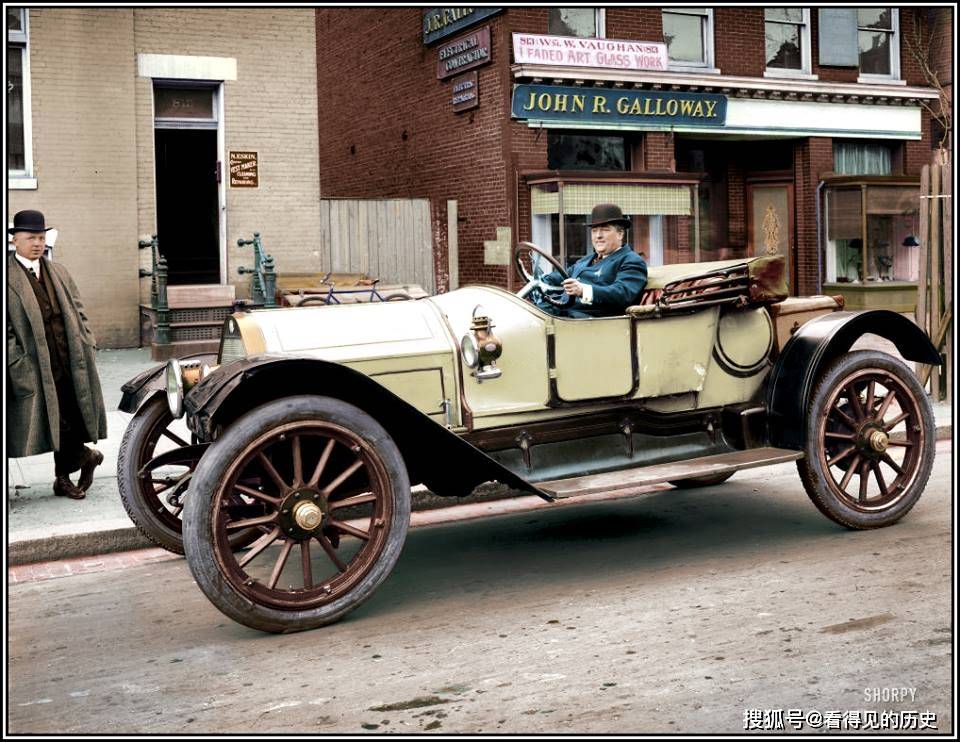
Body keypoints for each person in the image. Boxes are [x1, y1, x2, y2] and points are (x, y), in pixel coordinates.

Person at [7, 210, 107, 499]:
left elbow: (79, 311)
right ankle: (85, 457)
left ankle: (62, 478)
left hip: (69, 359)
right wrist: (16, 361)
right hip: (33, 365)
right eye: (30, 238)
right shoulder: (7, 275)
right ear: (15, 240)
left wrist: (87, 341)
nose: (37, 243)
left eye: (41, 237)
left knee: (71, 416)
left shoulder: (58, 271)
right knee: (53, 420)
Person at [538, 203, 648, 318]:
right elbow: (562, 276)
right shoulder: (585, 260)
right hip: (557, 312)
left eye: (605, 230)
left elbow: (622, 293)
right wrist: (541, 280)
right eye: (594, 231)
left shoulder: (631, 260)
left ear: (620, 234)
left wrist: (582, 290)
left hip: (588, 322)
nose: (598, 236)